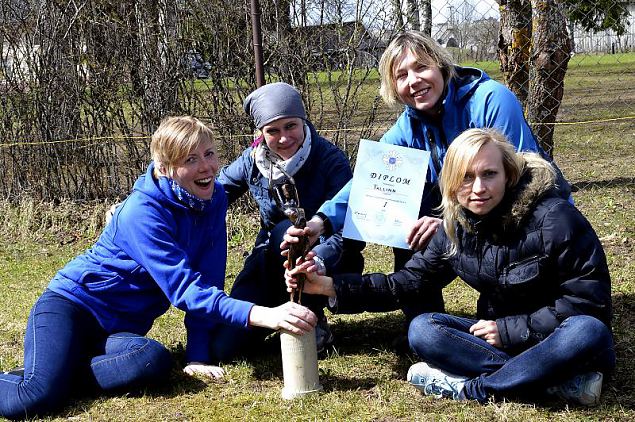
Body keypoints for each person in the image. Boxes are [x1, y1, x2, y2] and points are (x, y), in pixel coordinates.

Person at [0, 116, 317, 420]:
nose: (206, 167)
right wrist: (265, 314)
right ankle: (50, 377)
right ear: (165, 168)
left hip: (120, 329)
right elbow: (184, 289)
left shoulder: (214, 197)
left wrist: (197, 356)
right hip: (72, 307)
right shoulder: (142, 212)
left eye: (209, 154)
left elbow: (207, 277)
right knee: (37, 396)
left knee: (153, 362)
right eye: (190, 160)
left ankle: (60, 372)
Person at [286, 128, 613, 406]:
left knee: (589, 330)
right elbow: (407, 283)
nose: (479, 188)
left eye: (489, 174)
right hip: (499, 342)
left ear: (509, 173)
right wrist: (327, 286)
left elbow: (589, 304)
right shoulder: (454, 228)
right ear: (451, 183)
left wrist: (510, 329)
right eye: (466, 178)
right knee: (423, 329)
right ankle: (549, 382)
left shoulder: (556, 219)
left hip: (557, 339)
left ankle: (475, 389)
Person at [283, 30, 571, 320]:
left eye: (421, 67)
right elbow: (368, 183)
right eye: (402, 75)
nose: (414, 81)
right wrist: (319, 223)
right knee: (408, 216)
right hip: (467, 215)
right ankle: (422, 317)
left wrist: (451, 221)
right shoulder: (407, 128)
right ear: (393, 87)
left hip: (525, 218)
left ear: (441, 65)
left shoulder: (491, 100)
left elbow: (522, 178)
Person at [213, 82, 364, 356]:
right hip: (270, 259)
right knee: (226, 347)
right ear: (260, 133)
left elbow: (349, 228)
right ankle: (278, 312)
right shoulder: (253, 160)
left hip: (326, 259)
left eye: (291, 126)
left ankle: (313, 318)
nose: (283, 138)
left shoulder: (330, 160)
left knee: (290, 229)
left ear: (303, 121)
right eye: (272, 130)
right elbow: (211, 192)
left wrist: (317, 258)